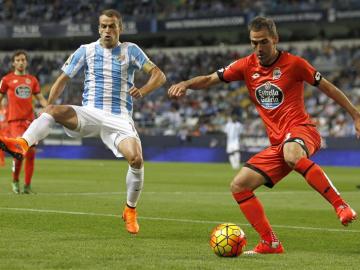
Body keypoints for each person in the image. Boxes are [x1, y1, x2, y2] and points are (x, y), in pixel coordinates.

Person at [168, 16, 359, 254]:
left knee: (291, 151)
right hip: (279, 144)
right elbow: (208, 79)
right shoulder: (245, 65)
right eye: (254, 43)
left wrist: (355, 114)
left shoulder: (295, 64)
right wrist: (186, 83)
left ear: (275, 40)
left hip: (302, 131)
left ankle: (341, 206)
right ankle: (270, 242)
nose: (258, 48)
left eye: (263, 42)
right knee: (239, 186)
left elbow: (328, 87)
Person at [0, 9, 166, 234]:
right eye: (104, 26)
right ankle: (22, 143)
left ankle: (130, 210)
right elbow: (62, 79)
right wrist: (48, 107)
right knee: (54, 111)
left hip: (119, 118)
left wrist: (144, 90)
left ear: (120, 29)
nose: (107, 30)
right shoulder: (85, 51)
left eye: (112, 26)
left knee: (136, 159)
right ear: (99, 28)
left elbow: (159, 75)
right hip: (89, 112)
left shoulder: (131, 50)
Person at [0, 50, 47, 193]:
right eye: (18, 60)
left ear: (26, 62)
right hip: (14, 122)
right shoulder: (7, 80)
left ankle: (27, 186)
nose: (21, 62)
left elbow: (41, 99)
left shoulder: (32, 80)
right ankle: (15, 180)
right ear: (13, 62)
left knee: (31, 153)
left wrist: (50, 109)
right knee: (20, 153)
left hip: (30, 122)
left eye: (23, 60)